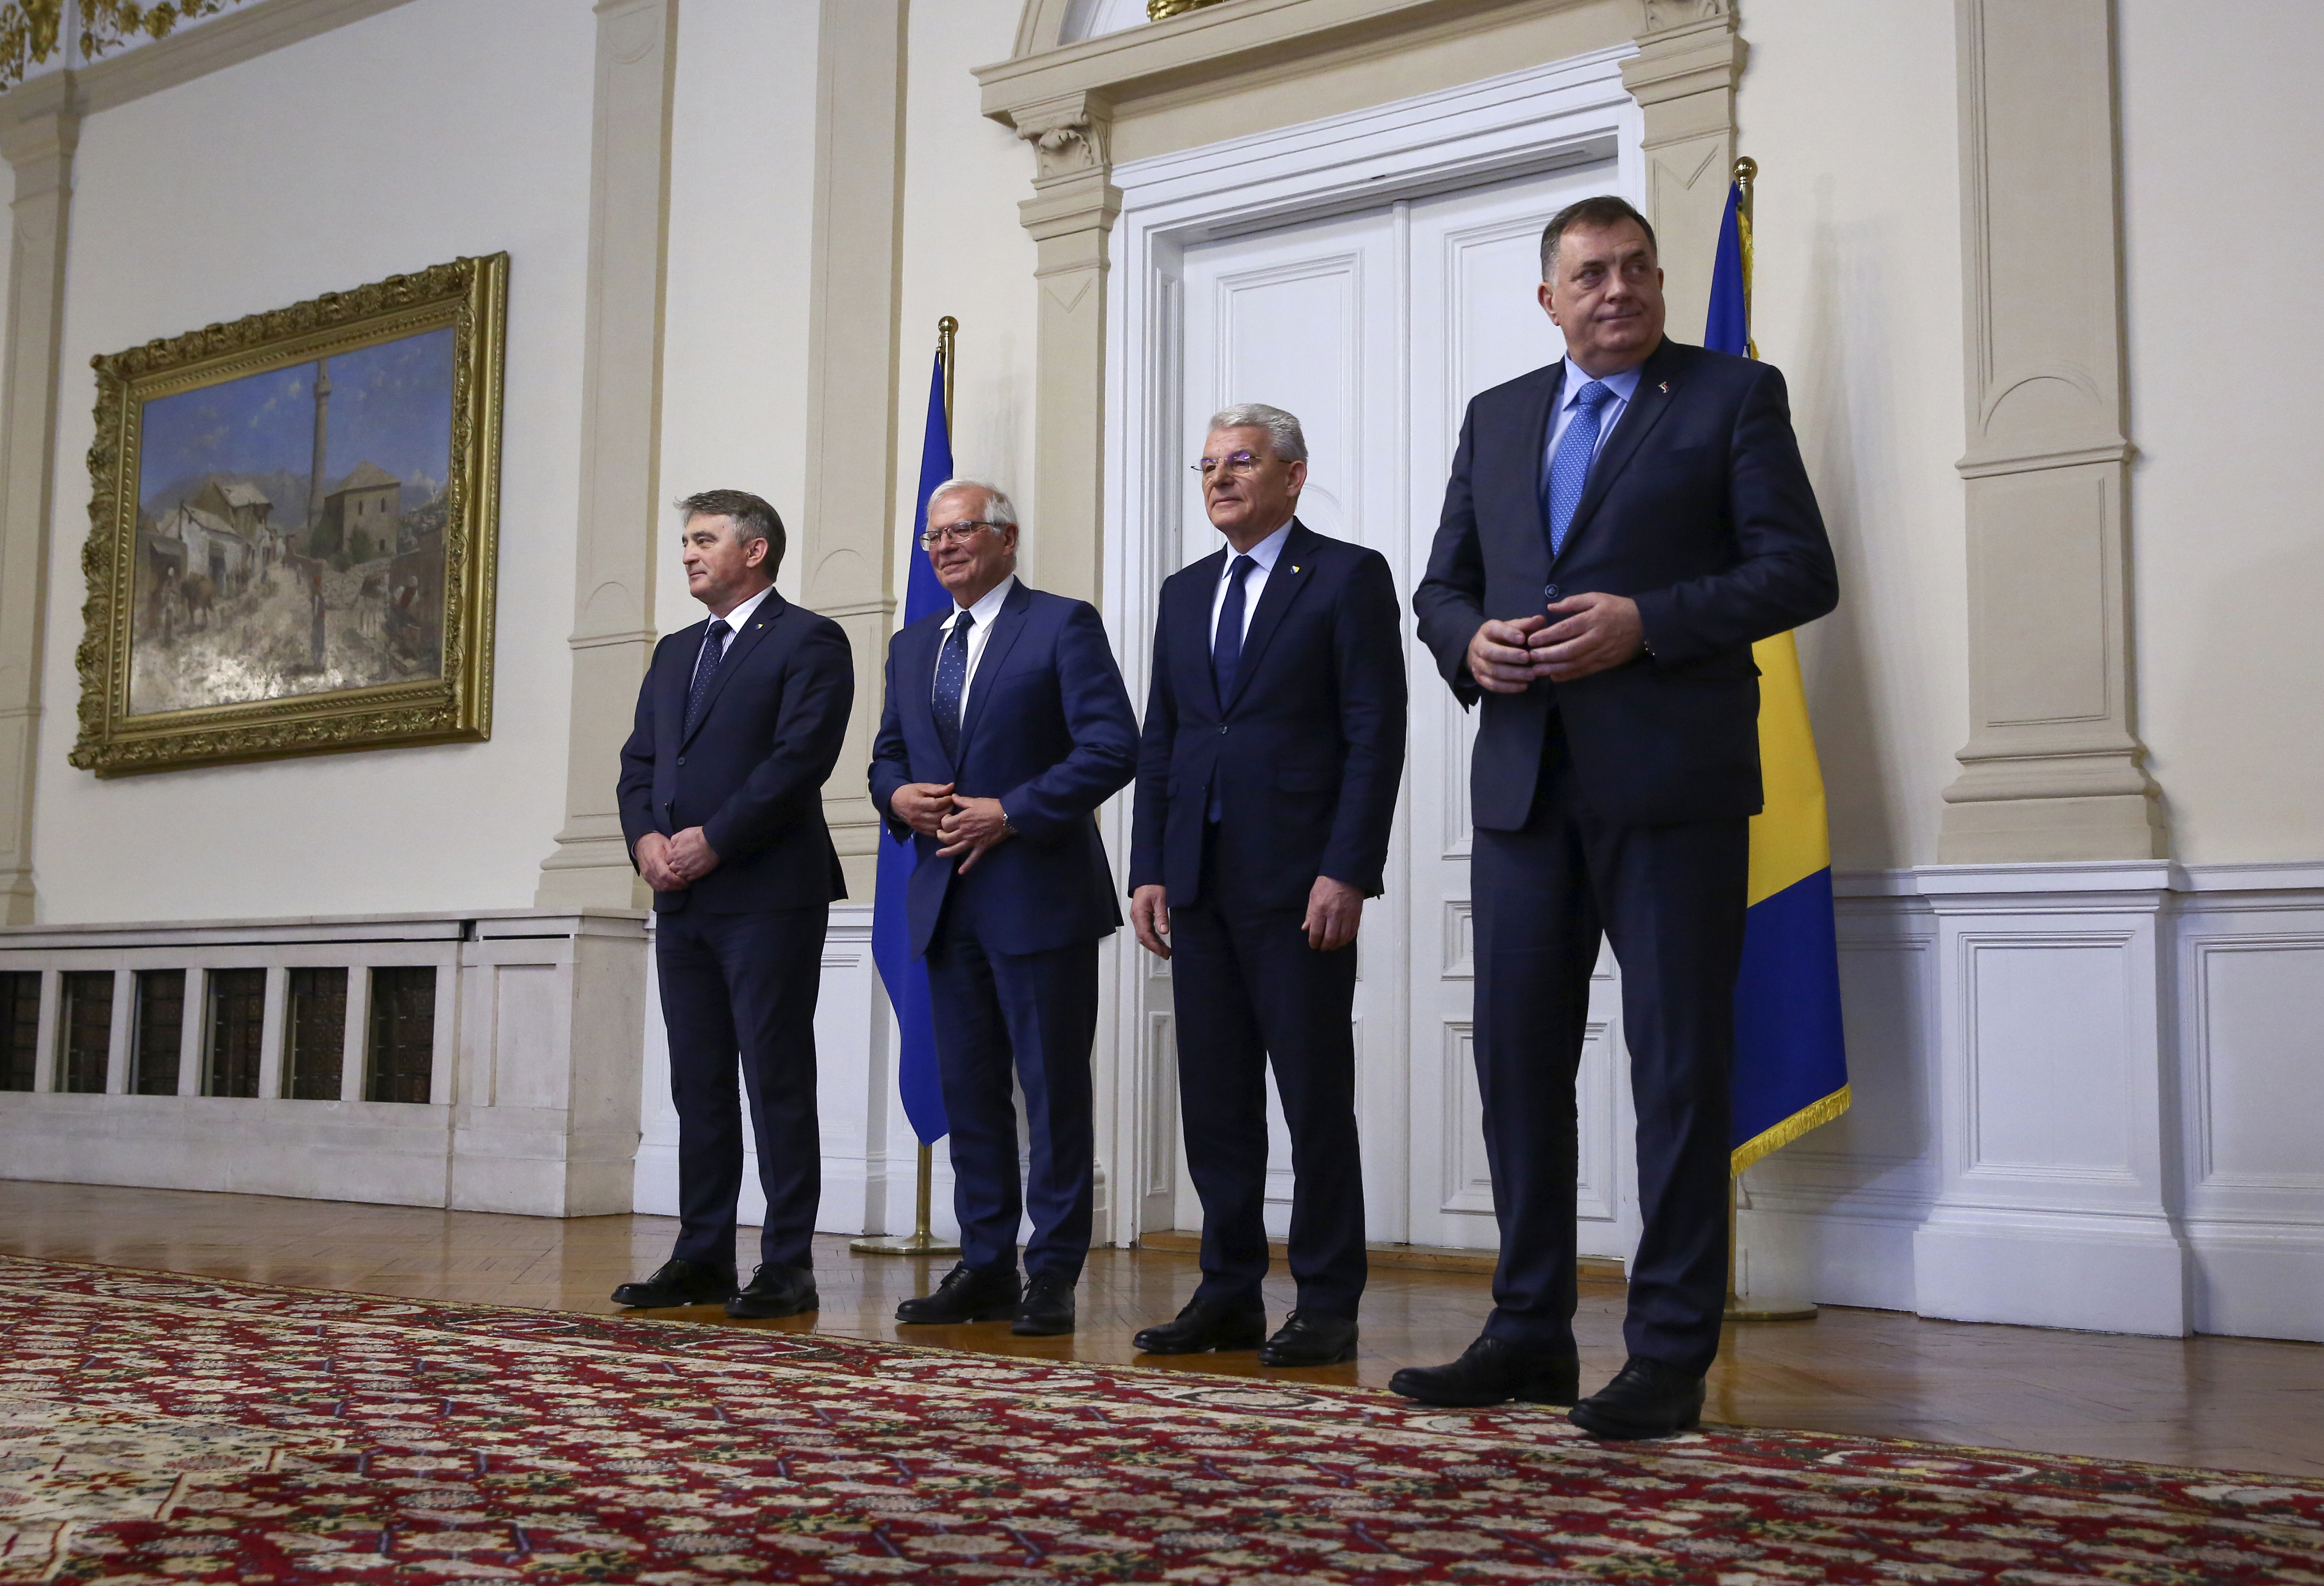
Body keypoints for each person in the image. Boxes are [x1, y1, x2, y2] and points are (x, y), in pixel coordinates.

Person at [1406, 195, 1839, 1437]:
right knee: (1516, 1068)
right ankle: (1527, 1329)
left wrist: (1648, 624)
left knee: (1680, 1074)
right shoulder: (1498, 418)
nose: (1619, 291)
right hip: (1526, 790)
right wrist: (1466, 642)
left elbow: (1798, 567)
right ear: (1550, 298)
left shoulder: (1729, 398)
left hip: (1674, 790)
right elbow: (1443, 584)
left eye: (1637, 270)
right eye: (1591, 275)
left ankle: (1664, 1354)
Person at [1127, 404, 1406, 1368]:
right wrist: (1150, 866)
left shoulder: (1347, 576)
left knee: (1313, 1098)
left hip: (1300, 885)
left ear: (1292, 474)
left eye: (1240, 462)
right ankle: (1229, 1292)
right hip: (1196, 884)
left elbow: (1377, 731)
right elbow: (1163, 737)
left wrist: (1348, 867)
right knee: (1216, 1101)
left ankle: (1328, 1302)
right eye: (1207, 465)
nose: (1220, 479)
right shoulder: (1184, 591)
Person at [869, 480, 1137, 1337]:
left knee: (1051, 1091)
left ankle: (1051, 1272)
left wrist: (1011, 811)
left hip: (1039, 898)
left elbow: (1112, 746)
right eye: (932, 536)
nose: (944, 546)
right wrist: (897, 797)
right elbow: (884, 758)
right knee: (970, 1092)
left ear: (1007, 538)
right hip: (943, 901)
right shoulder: (912, 646)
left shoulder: (1062, 624)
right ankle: (984, 1265)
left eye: (962, 531)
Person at [611, 489, 854, 1320]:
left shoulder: (810, 640)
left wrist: (715, 838)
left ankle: (787, 1265)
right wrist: (645, 840)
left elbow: (798, 762)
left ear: (753, 551)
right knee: (699, 1084)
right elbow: (638, 761)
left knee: (776, 1079)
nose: (687, 553)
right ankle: (701, 1257)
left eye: (703, 539)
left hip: (767, 895)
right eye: (685, 539)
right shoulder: (675, 651)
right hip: (680, 899)